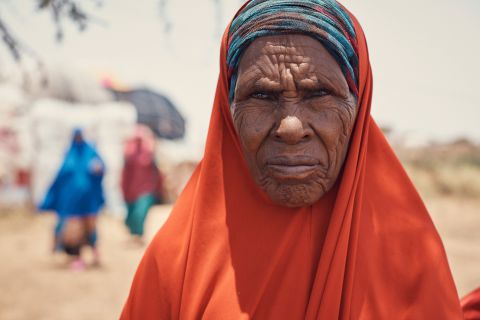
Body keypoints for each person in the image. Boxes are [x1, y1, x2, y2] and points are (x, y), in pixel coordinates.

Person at [121, 1, 466, 318]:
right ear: (227, 111)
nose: (290, 126)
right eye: (261, 94)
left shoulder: (411, 259)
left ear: (358, 106)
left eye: (319, 93)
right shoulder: (175, 263)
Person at [39, 128, 105, 270]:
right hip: (72, 203)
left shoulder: (91, 153)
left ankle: (95, 254)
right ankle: (77, 257)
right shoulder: (69, 156)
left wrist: (98, 169)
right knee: (74, 231)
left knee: (90, 228)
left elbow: (101, 168)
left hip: (88, 202)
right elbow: (60, 178)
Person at [121, 125, 162, 243]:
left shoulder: (150, 154)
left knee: (141, 211)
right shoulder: (129, 155)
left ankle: (138, 235)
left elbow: (156, 172)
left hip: (146, 189)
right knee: (132, 213)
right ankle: (134, 234)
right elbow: (125, 173)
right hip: (131, 189)